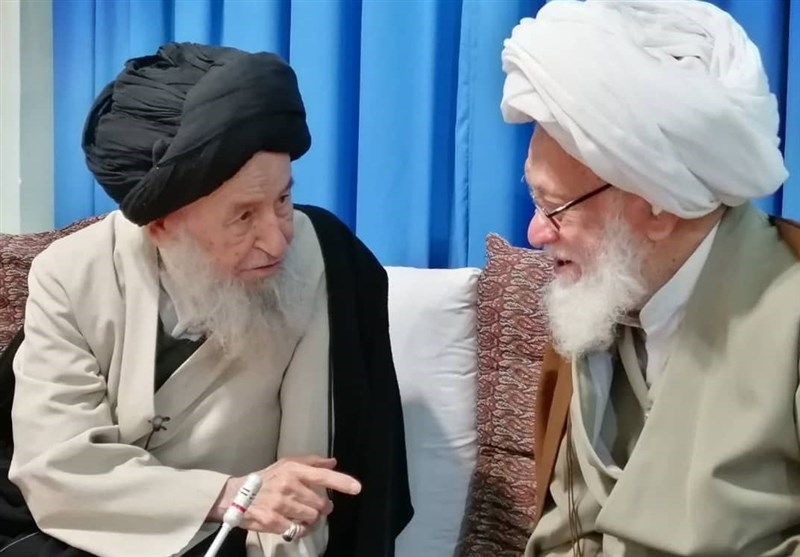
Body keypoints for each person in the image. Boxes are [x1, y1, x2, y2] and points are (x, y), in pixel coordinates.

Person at [0, 43, 412, 557]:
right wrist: (229, 494)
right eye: (244, 216)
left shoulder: (323, 260)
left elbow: (308, 477)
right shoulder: (70, 274)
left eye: (283, 199)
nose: (276, 240)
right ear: (161, 226)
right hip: (79, 532)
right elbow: (60, 470)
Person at [500, 1, 800, 555]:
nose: (536, 233)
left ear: (658, 208)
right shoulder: (603, 302)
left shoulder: (790, 317)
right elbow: (567, 532)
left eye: (555, 207)